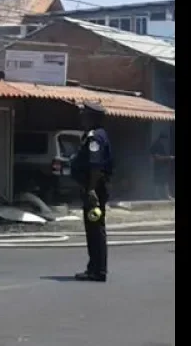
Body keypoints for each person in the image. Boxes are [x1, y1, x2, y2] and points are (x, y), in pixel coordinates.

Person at [71, 102, 113, 282]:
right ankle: (96, 267)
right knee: (95, 228)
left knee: (95, 229)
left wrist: (91, 190)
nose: (82, 118)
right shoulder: (97, 135)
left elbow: (95, 167)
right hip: (94, 188)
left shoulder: (95, 137)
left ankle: (97, 270)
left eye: (85, 115)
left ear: (92, 118)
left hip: (94, 189)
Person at [150, 133, 175, 200]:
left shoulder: (158, 144)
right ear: (162, 139)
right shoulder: (157, 145)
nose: (165, 142)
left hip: (160, 166)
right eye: (165, 140)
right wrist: (169, 157)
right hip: (159, 167)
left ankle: (158, 196)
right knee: (163, 181)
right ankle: (167, 196)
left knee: (159, 181)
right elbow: (157, 157)